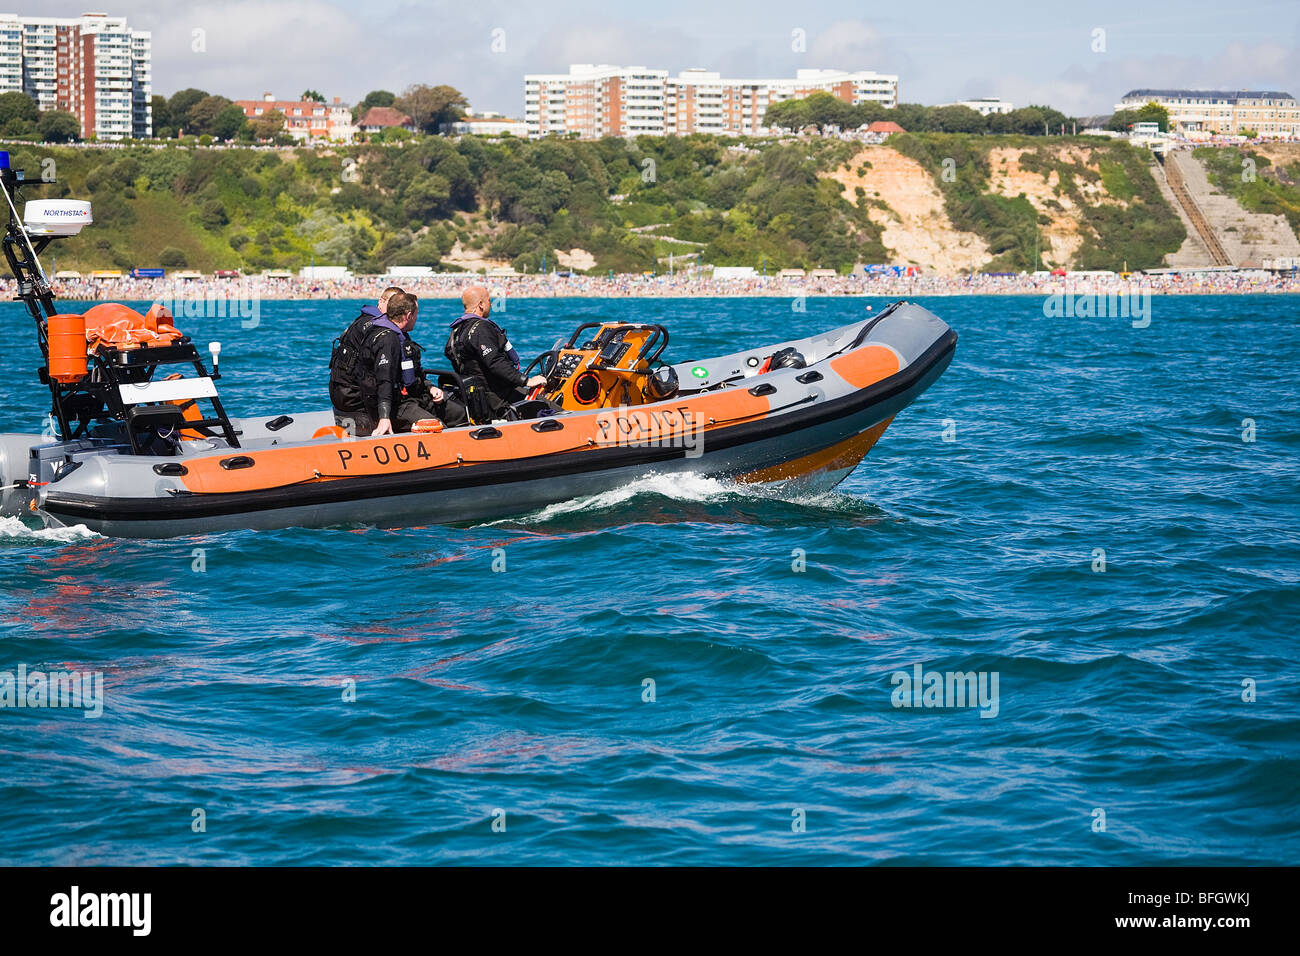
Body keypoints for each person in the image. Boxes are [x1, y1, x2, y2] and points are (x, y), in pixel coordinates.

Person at [329, 292, 464, 435]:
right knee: (437, 427)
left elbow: (411, 373)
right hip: (391, 405)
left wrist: (430, 388)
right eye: (416, 315)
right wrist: (384, 417)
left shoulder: (397, 335)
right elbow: (384, 380)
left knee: (458, 413)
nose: (417, 319)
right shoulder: (387, 339)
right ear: (409, 316)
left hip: (405, 396)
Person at [444, 285, 547, 423]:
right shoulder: (481, 328)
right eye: (488, 300)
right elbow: (495, 362)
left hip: (477, 396)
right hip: (497, 396)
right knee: (550, 408)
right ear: (481, 304)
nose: (491, 304)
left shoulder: (456, 330)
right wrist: (527, 381)